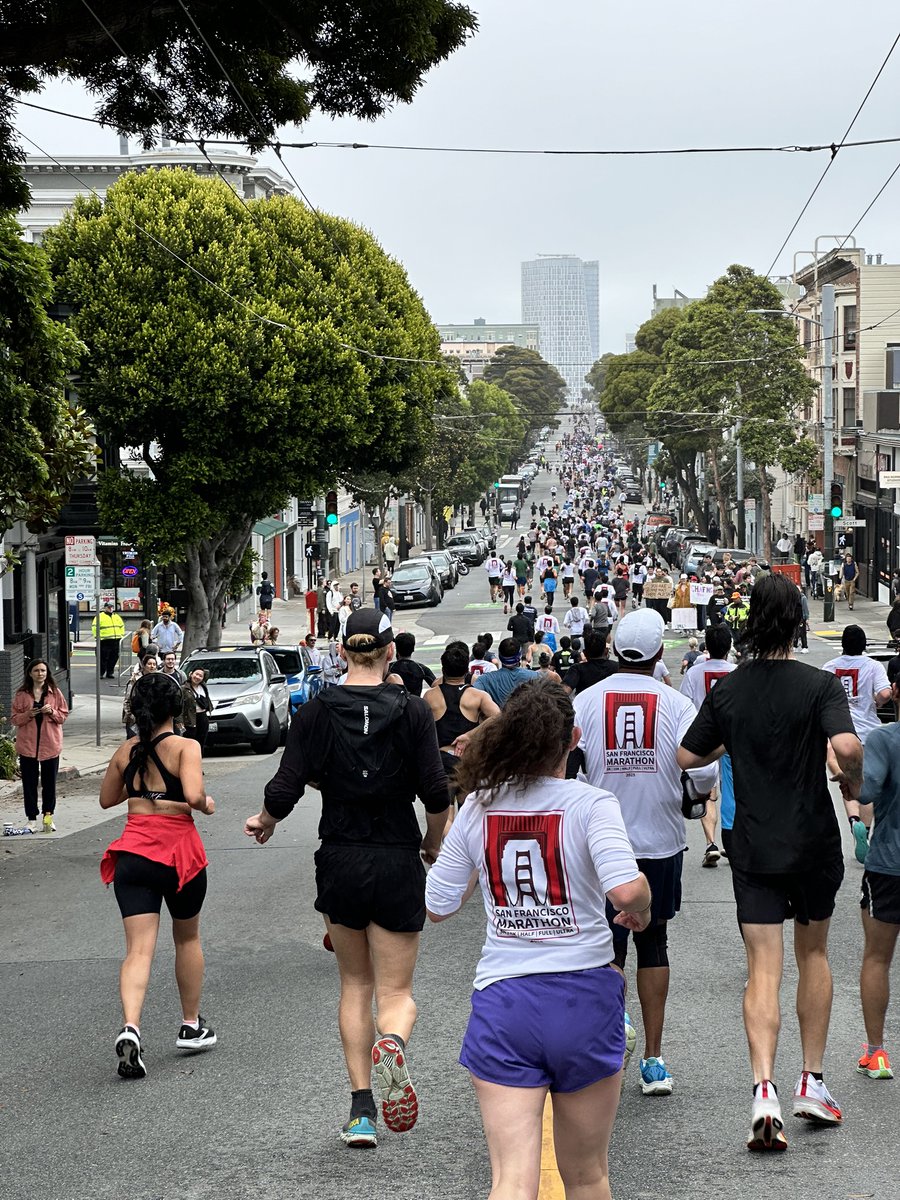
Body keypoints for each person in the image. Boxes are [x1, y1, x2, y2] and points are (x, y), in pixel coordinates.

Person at [425, 682, 651, 1200]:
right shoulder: (592, 803)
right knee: (588, 1174)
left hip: (505, 1000)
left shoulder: (479, 806)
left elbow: (437, 905)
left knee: (510, 1180)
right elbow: (625, 887)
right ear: (572, 739)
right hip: (584, 995)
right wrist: (642, 906)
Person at [244, 609, 449, 1147]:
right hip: (396, 856)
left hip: (340, 858)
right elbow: (435, 792)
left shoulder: (315, 711)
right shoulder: (412, 712)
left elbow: (285, 785)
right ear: (388, 653)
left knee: (355, 985)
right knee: (396, 990)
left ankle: (361, 1111)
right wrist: (434, 844)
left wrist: (265, 821)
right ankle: (394, 1044)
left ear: (340, 652)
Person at [678, 573, 862, 1152]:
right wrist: (851, 781)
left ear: (749, 622)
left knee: (763, 966)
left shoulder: (729, 691)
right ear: (799, 623)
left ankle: (764, 1090)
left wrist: (735, 739)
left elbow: (688, 753)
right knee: (814, 954)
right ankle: (811, 1079)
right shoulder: (820, 685)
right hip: (811, 840)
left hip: (751, 841)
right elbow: (849, 747)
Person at [574, 609, 718, 1098]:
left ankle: (611, 1044)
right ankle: (654, 1059)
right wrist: (693, 798)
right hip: (659, 840)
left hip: (601, 844)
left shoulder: (587, 701)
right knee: (654, 943)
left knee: (607, 947)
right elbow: (700, 773)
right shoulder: (677, 704)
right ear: (660, 653)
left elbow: (571, 768)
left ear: (616, 650)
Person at [99, 672, 217, 1079]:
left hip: (133, 855)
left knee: (138, 951)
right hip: (177, 856)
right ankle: (190, 1024)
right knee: (187, 937)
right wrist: (207, 805)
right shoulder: (186, 747)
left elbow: (106, 799)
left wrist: (142, 791)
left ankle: (131, 1026)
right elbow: (195, 795)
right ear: (175, 708)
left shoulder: (126, 750)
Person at [855, 656, 900, 1081]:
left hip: (889, 864)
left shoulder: (885, 739)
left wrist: (845, 771)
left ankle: (877, 1051)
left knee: (877, 957)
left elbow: (866, 791)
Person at [822, 625, 892, 864]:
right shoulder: (872, 666)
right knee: (864, 781)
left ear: (842, 643)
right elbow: (884, 694)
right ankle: (866, 826)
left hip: (840, 733)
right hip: (867, 732)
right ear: (863, 645)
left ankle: (853, 822)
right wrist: (875, 703)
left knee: (847, 779)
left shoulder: (829, 667)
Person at [421, 640, 500, 804]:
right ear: (467, 670)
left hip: (441, 760)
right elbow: (499, 717)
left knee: (445, 818)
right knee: (467, 815)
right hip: (467, 761)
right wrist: (471, 735)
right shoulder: (478, 696)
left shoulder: (430, 696)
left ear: (443, 670)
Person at [11, 659, 69, 833]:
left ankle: (48, 817)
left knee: (49, 784)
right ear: (30, 673)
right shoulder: (22, 694)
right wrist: (28, 714)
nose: (40, 673)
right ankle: (31, 819)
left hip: (50, 745)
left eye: (43, 670)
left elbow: (63, 716)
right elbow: (14, 719)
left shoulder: (55, 693)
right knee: (29, 784)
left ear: (47, 673)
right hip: (28, 746)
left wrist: (51, 711)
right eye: (36, 670)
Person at [472, 637, 536, 708]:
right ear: (519, 656)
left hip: (499, 718)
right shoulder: (535, 676)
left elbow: (472, 698)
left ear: (499, 655)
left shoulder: (484, 680)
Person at [122, 654, 160, 739]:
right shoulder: (135, 679)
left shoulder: (158, 679)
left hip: (151, 717)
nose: (152, 666)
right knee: (134, 741)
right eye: (149, 664)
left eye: (154, 664)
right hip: (136, 717)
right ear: (144, 665)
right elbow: (127, 700)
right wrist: (131, 715)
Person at [392, 631, 437, 696]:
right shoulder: (421, 668)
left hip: (395, 704)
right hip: (415, 703)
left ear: (397, 649)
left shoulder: (390, 668)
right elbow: (436, 685)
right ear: (413, 649)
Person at [93, 601, 126, 679]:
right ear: (105, 608)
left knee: (114, 657)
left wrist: (121, 635)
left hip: (116, 640)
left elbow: (122, 626)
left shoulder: (116, 616)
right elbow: (94, 627)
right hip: (104, 640)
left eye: (112, 607)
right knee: (103, 658)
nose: (111, 609)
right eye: (109, 607)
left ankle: (110, 672)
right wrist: (97, 637)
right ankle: (101, 673)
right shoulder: (99, 616)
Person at [181, 667, 212, 750]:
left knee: (201, 742)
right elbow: (180, 705)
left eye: (200, 676)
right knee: (191, 743)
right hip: (190, 719)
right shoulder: (184, 688)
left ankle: (198, 760)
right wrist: (180, 721)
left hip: (203, 717)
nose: (197, 677)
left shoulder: (203, 686)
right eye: (196, 674)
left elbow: (207, 673)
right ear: (191, 674)